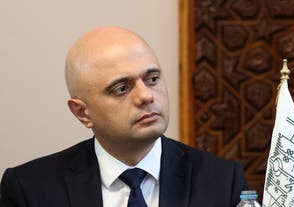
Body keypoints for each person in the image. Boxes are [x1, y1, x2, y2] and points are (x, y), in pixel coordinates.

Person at [0, 26, 248, 207]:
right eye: (122, 88)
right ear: (82, 113)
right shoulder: (30, 191)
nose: (146, 96)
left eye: (152, 79)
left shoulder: (223, 183)